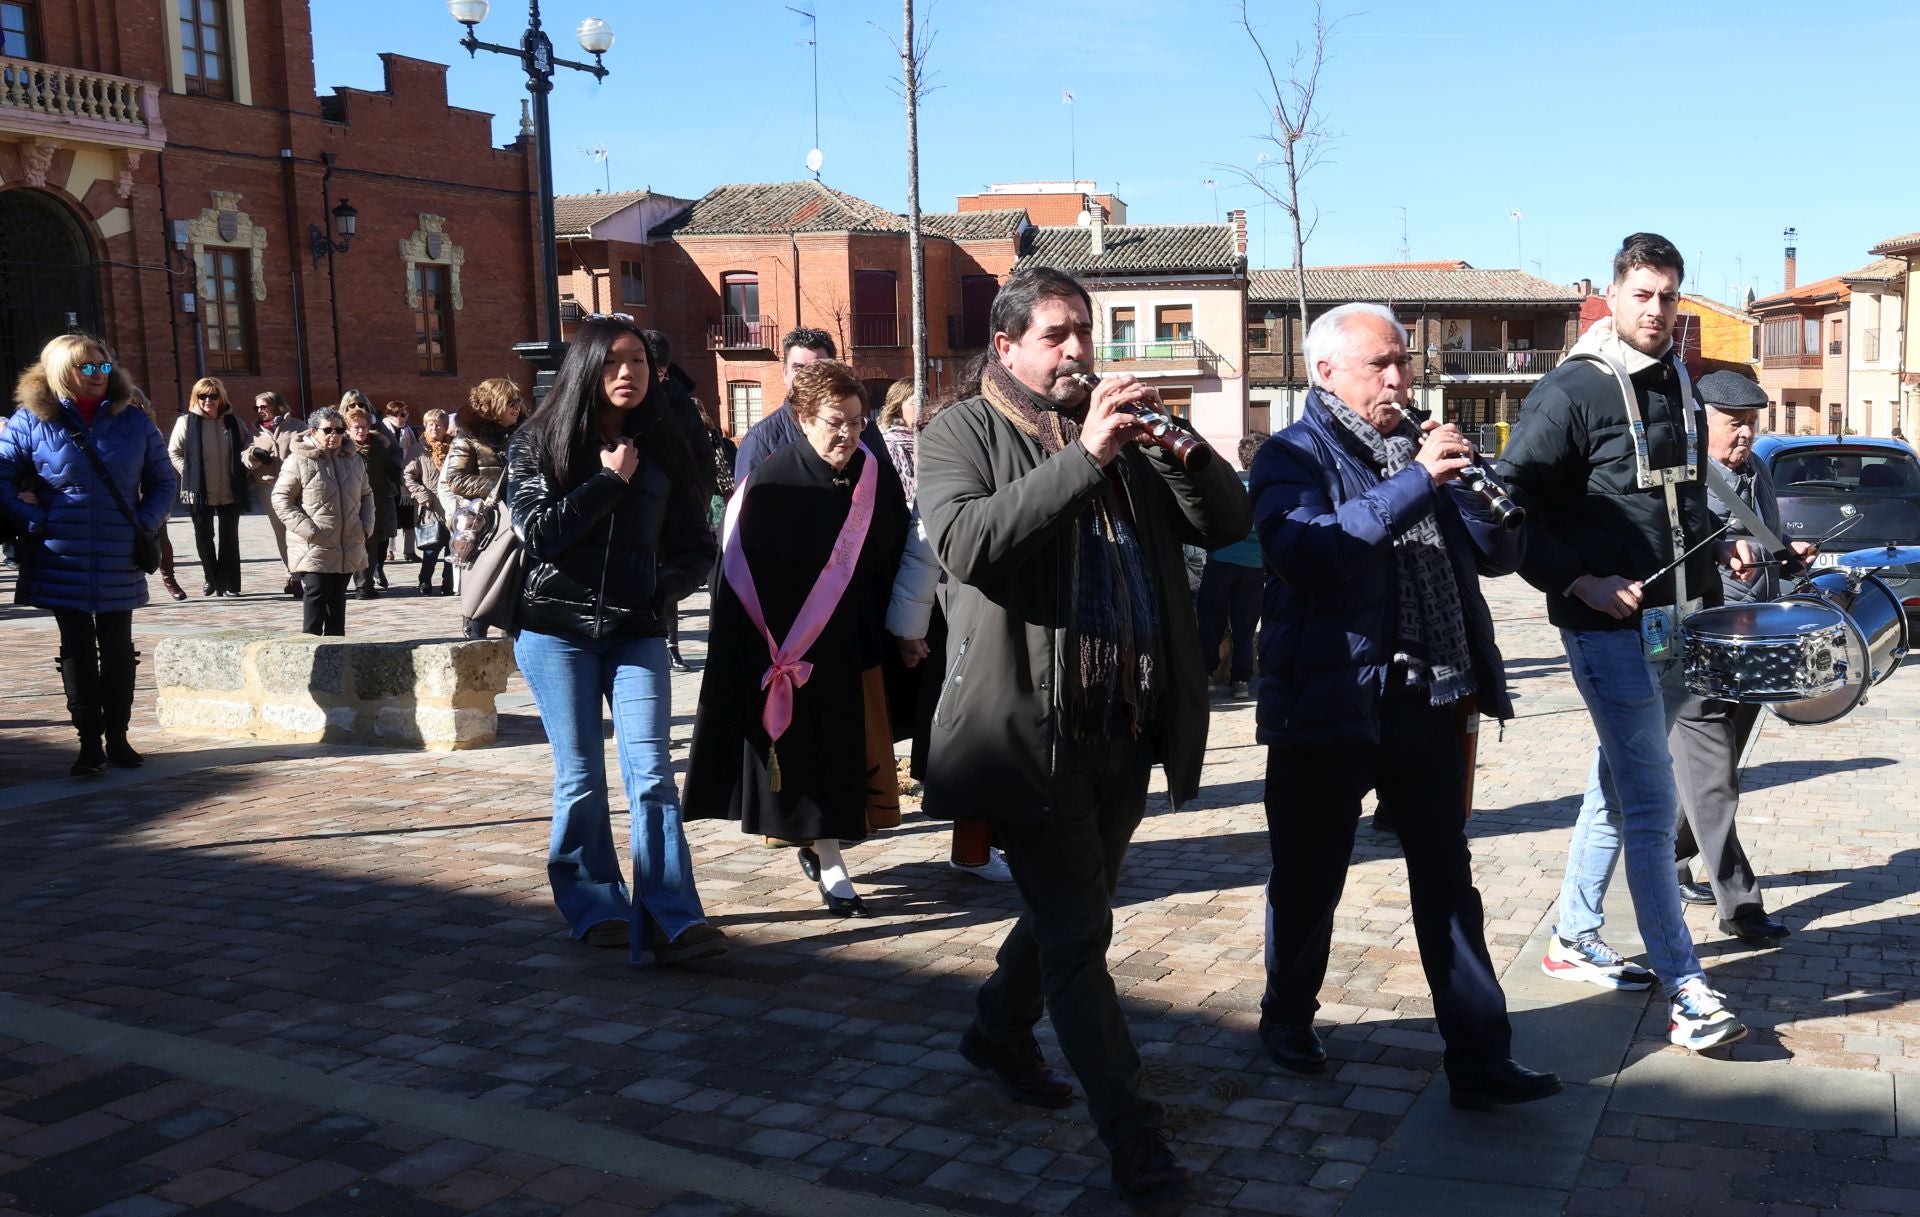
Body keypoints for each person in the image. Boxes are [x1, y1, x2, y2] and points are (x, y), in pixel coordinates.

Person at [915, 267, 1250, 1204]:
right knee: (1079, 928)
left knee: (1076, 911)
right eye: (1058, 335)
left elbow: (1229, 524)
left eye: (1083, 334)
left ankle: (995, 1027)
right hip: (1031, 732)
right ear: (1009, 342)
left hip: (1125, 721)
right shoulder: (960, 432)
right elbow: (971, 543)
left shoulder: (1119, 435)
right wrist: (1087, 458)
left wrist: (1181, 445)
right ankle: (1135, 1135)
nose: (1077, 353)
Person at [1250, 303, 1559, 1110]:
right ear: (1326, 373)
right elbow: (1308, 552)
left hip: (1432, 695)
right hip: (1335, 697)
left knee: (1447, 878)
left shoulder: (1423, 449)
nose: (1398, 379)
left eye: (1403, 362)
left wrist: (1487, 500)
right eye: (1378, 365)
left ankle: (1480, 1056)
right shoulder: (1290, 455)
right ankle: (1287, 1015)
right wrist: (1417, 479)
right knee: (1311, 876)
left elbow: (1498, 559)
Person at [1497, 233, 1752, 1053]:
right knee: (1652, 804)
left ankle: (1573, 935)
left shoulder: (1677, 376)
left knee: (1618, 787)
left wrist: (1723, 541)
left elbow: (1670, 503)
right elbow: (1505, 504)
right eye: (1643, 293)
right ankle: (1687, 988)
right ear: (1612, 295)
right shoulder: (1572, 390)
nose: (1658, 309)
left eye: (1670, 295)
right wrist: (1578, 581)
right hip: (1605, 628)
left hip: (1675, 621)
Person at [508, 315, 724, 964]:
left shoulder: (667, 440)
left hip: (636, 630)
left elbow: (697, 542)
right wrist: (608, 481)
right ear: (585, 369)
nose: (627, 373)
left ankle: (671, 914)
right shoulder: (538, 440)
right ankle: (593, 901)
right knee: (580, 777)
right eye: (611, 362)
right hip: (555, 631)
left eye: (637, 361)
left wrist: (660, 589)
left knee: (653, 773)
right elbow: (538, 533)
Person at [685, 360, 909, 918]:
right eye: (836, 421)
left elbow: (892, 551)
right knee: (814, 760)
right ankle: (830, 862)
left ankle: (826, 849)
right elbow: (738, 579)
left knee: (846, 757)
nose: (849, 434)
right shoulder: (769, 483)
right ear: (803, 417)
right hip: (789, 651)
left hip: (853, 642)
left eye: (858, 422)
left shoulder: (870, 474)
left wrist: (903, 628)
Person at [1667, 372, 1810, 943]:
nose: (1746, 433)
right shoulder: (1681, 480)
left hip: (1751, 648)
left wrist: (1786, 554)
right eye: (1734, 423)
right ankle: (1741, 907)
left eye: (1753, 421)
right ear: (1700, 421)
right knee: (1715, 779)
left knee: (1707, 779)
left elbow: (1766, 541)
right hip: (1697, 648)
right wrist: (1721, 554)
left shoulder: (1759, 472)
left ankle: (1665, 860)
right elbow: (1669, 560)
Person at [0, 335, 177, 776]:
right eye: (87, 368)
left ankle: (118, 737)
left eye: (102, 367)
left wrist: (145, 521)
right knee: (76, 648)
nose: (98, 375)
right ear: (62, 372)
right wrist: (32, 518)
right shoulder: (30, 422)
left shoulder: (133, 421)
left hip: (120, 550)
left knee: (118, 648)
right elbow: (1, 477)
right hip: (62, 552)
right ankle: (88, 742)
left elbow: (164, 480)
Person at [877, 376, 1011, 884]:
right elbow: (923, 541)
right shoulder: (956, 453)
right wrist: (909, 628)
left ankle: (995, 845)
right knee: (977, 740)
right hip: (967, 619)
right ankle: (974, 850)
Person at [732, 328, 901, 490]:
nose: (807, 378)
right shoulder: (761, 439)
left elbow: (888, 492)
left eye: (817, 369)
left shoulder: (866, 430)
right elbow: (745, 511)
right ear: (784, 374)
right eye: (798, 369)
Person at [640, 329, 719, 672]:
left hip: (674, 505)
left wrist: (699, 499)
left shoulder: (678, 399)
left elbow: (702, 455)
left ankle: (669, 642)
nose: (654, 378)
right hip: (633, 505)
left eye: (659, 371)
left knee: (667, 576)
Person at [272, 406, 374, 636]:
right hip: (314, 543)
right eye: (328, 430)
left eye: (339, 430)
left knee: (338, 599)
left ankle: (336, 655)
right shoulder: (297, 460)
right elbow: (280, 499)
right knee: (316, 594)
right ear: (313, 430)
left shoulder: (353, 459)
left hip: (348, 540)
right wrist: (309, 530)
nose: (334, 435)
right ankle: (310, 652)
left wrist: (365, 527)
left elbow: (367, 495)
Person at [442, 377, 521, 639]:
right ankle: (475, 634)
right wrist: (499, 486)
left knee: (516, 582)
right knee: (482, 578)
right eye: (510, 402)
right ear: (494, 404)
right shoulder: (469, 437)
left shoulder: (525, 433)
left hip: (518, 518)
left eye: (518, 401)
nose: (517, 407)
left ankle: (514, 638)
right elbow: (455, 479)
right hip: (486, 523)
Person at [1197, 432, 1269, 700]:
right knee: (1245, 626)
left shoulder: (1230, 484)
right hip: (1254, 566)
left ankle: (1206, 674)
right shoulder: (1269, 489)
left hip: (1221, 560)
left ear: (1243, 458)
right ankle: (1240, 680)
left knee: (1210, 621)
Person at [167, 376, 250, 597]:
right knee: (204, 536)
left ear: (221, 397)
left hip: (230, 489)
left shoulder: (234, 423)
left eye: (213, 396)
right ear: (196, 398)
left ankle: (231, 583)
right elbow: (174, 452)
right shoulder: (186, 422)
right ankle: (211, 579)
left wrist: (252, 459)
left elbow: (248, 447)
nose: (208, 401)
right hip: (198, 490)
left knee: (229, 537)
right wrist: (189, 471)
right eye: (202, 396)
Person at [242, 391, 307, 598]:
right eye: (257, 408)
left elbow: (309, 448)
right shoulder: (254, 431)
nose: (260, 411)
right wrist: (254, 455)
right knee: (281, 532)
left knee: (299, 530)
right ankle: (292, 575)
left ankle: (304, 573)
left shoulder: (297, 426)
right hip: (268, 486)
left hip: (296, 485)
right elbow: (244, 458)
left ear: (277, 406)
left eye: (264, 406)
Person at [342, 397, 400, 599]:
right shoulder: (342, 450)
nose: (360, 431)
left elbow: (393, 470)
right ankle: (347, 585)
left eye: (364, 427)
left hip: (375, 501)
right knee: (350, 545)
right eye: (356, 427)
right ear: (348, 429)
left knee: (372, 544)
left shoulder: (378, 447)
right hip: (348, 503)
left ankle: (364, 585)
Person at [404, 408, 454, 596]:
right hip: (431, 506)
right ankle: (424, 581)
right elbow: (408, 476)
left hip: (452, 505)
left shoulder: (453, 449)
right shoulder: (418, 450)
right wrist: (422, 495)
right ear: (425, 426)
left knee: (452, 547)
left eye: (439, 425)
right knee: (431, 549)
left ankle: (448, 583)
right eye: (431, 424)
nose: (434, 428)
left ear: (445, 428)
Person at [382, 400, 423, 565]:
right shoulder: (382, 429)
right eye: (401, 415)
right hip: (389, 479)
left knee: (408, 517)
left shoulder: (408, 430)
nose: (404, 418)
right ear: (391, 415)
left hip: (405, 480)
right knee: (390, 516)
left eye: (406, 415)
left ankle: (409, 550)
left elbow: (414, 450)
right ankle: (389, 551)